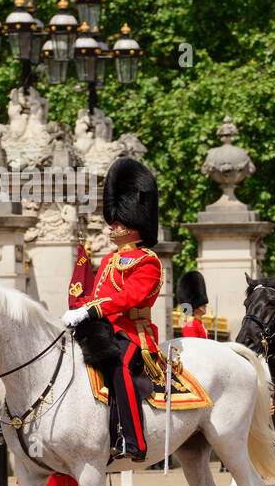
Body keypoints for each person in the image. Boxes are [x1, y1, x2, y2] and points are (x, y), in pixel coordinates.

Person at [60, 158, 163, 462]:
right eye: (112, 219)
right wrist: (80, 309)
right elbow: (98, 295)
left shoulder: (148, 261)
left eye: (117, 220)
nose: (112, 224)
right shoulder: (108, 260)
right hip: (104, 331)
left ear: (135, 222)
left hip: (134, 334)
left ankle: (134, 440)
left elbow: (130, 298)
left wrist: (91, 312)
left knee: (119, 368)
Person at [176, 270, 210, 339]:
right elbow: (194, 346)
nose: (205, 305)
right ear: (195, 306)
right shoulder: (190, 325)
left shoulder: (198, 323)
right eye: (202, 304)